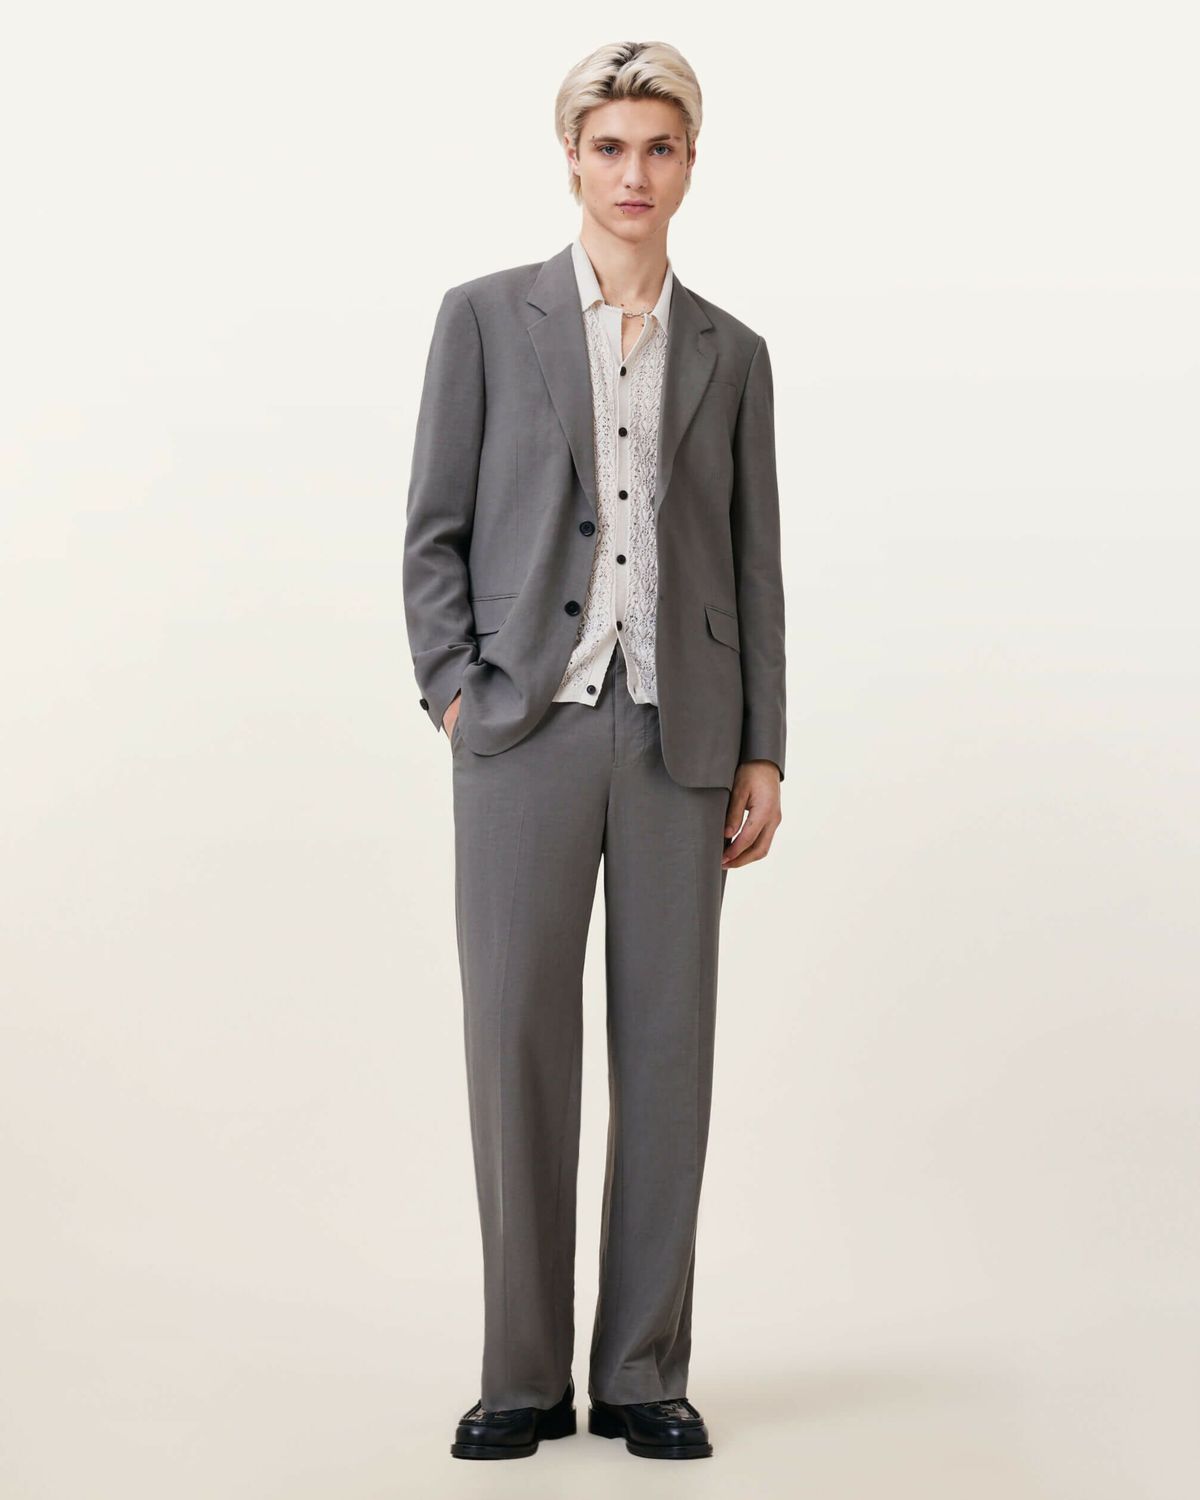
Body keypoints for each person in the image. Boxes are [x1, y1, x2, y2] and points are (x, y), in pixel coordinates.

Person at [403, 39, 786, 1462]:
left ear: (691, 162)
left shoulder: (732, 352)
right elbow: (433, 529)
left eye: (660, 149)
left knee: (669, 1053)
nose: (635, 175)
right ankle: (519, 1376)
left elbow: (754, 566)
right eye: (611, 147)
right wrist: (456, 691)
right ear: (571, 155)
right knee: (515, 1043)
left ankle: (640, 1372)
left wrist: (763, 749)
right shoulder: (484, 319)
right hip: (523, 731)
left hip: (684, 739)